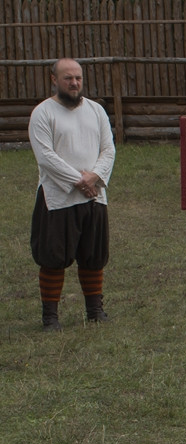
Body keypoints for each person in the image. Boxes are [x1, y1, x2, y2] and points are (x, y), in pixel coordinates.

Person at [29, 57, 116, 332]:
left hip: (94, 197)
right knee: (53, 258)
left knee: (93, 255)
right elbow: (45, 157)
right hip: (58, 198)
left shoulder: (96, 110)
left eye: (77, 77)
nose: (74, 82)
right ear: (54, 79)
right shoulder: (43, 113)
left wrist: (95, 177)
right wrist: (80, 181)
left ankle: (94, 311)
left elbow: (109, 149)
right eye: (68, 78)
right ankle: (50, 318)